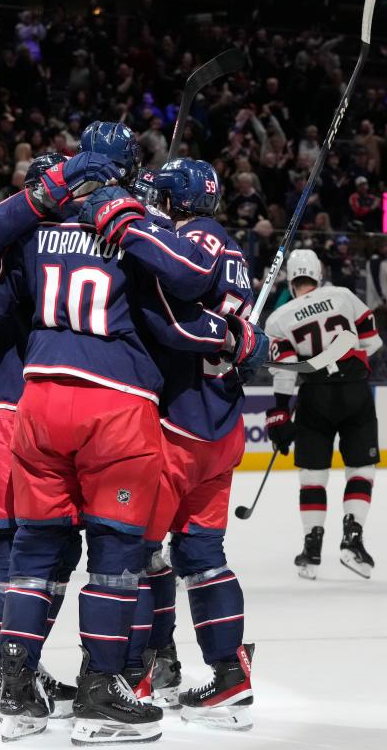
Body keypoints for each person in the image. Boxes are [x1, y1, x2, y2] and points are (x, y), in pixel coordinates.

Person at [0, 122, 264, 743]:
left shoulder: (32, 232)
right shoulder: (133, 232)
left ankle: (16, 688)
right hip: (119, 408)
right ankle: (105, 688)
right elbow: (185, 296)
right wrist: (234, 338)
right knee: (121, 557)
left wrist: (39, 206)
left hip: (39, 400)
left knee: (34, 549)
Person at [128, 159, 259, 729]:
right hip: (223, 425)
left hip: (178, 423)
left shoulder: (193, 239)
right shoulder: (232, 249)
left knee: (137, 551)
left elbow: (171, 318)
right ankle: (229, 672)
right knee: (202, 556)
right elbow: (243, 339)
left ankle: (146, 666)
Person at [0, 152, 78, 720]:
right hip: (0, 408)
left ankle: (21, 657)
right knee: (11, 541)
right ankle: (5, 666)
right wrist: (16, 274)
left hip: (44, 412)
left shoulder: (64, 255)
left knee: (54, 542)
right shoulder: (6, 254)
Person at [264, 249, 383, 579]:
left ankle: (312, 550)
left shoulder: (279, 318)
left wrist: (279, 414)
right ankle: (353, 539)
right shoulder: (343, 296)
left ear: (290, 278)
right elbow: (373, 342)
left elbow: (286, 370)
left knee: (312, 475)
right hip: (355, 389)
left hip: (315, 395)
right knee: (361, 468)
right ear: (319, 273)